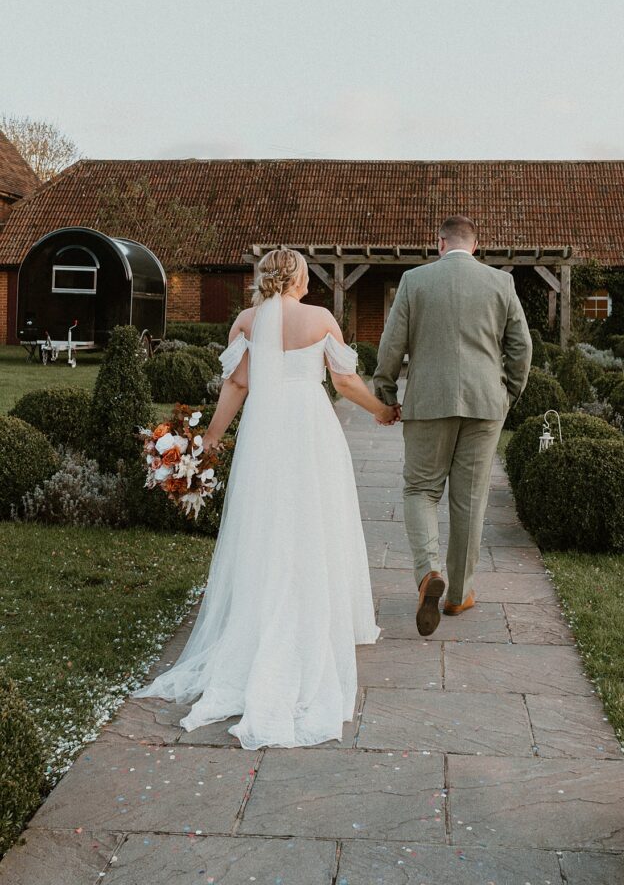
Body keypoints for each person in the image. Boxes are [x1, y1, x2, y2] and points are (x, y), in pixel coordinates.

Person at [134, 248, 396, 748]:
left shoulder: (247, 321)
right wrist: (381, 411)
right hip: (310, 428)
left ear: (262, 279)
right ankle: (314, 608)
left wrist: (209, 439)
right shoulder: (320, 318)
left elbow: (238, 383)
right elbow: (343, 381)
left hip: (264, 431)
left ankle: (261, 604)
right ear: (300, 278)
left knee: (264, 516)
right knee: (316, 514)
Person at [373, 215, 532, 636]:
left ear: (439, 243)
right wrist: (508, 394)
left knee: (421, 489)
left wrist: (386, 392)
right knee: (470, 499)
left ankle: (428, 572)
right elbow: (521, 345)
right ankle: (459, 594)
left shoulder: (414, 281)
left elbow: (393, 343)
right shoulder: (501, 284)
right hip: (485, 404)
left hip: (429, 402)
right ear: (474, 247)